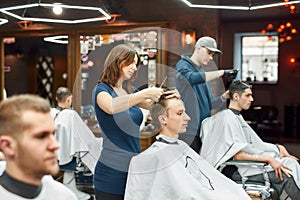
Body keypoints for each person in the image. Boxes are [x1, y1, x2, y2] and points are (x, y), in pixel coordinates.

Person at [124, 95, 251, 200]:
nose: (187, 118)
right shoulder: (155, 156)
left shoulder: (181, 146)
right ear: (163, 119)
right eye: (180, 113)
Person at [93, 44, 178, 199]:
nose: (134, 67)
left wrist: (167, 97)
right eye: (130, 63)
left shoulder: (131, 91)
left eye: (136, 63)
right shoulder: (101, 90)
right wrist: (146, 93)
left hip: (133, 167)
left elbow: (153, 108)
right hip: (110, 171)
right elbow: (111, 106)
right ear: (117, 62)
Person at [200, 80, 300, 199]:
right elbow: (238, 156)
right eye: (247, 95)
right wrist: (269, 159)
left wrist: (278, 148)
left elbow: (256, 145)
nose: (252, 99)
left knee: (292, 163)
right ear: (236, 96)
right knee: (287, 174)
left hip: (247, 167)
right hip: (237, 170)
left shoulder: (236, 117)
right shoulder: (227, 118)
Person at [0, 94, 77, 199]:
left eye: (53, 134)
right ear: (8, 146)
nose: (55, 145)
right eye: (41, 136)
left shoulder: (65, 197)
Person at [175, 36, 238, 152]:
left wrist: (225, 96)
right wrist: (221, 73)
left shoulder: (202, 72)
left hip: (203, 131)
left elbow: (209, 105)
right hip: (188, 131)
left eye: (213, 55)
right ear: (198, 48)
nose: (210, 58)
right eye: (209, 53)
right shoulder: (182, 65)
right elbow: (191, 78)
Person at [51, 87, 102, 200]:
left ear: (56, 98)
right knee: (98, 145)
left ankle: (71, 190)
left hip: (54, 153)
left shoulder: (51, 113)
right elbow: (84, 135)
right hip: (70, 156)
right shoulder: (71, 114)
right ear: (69, 99)